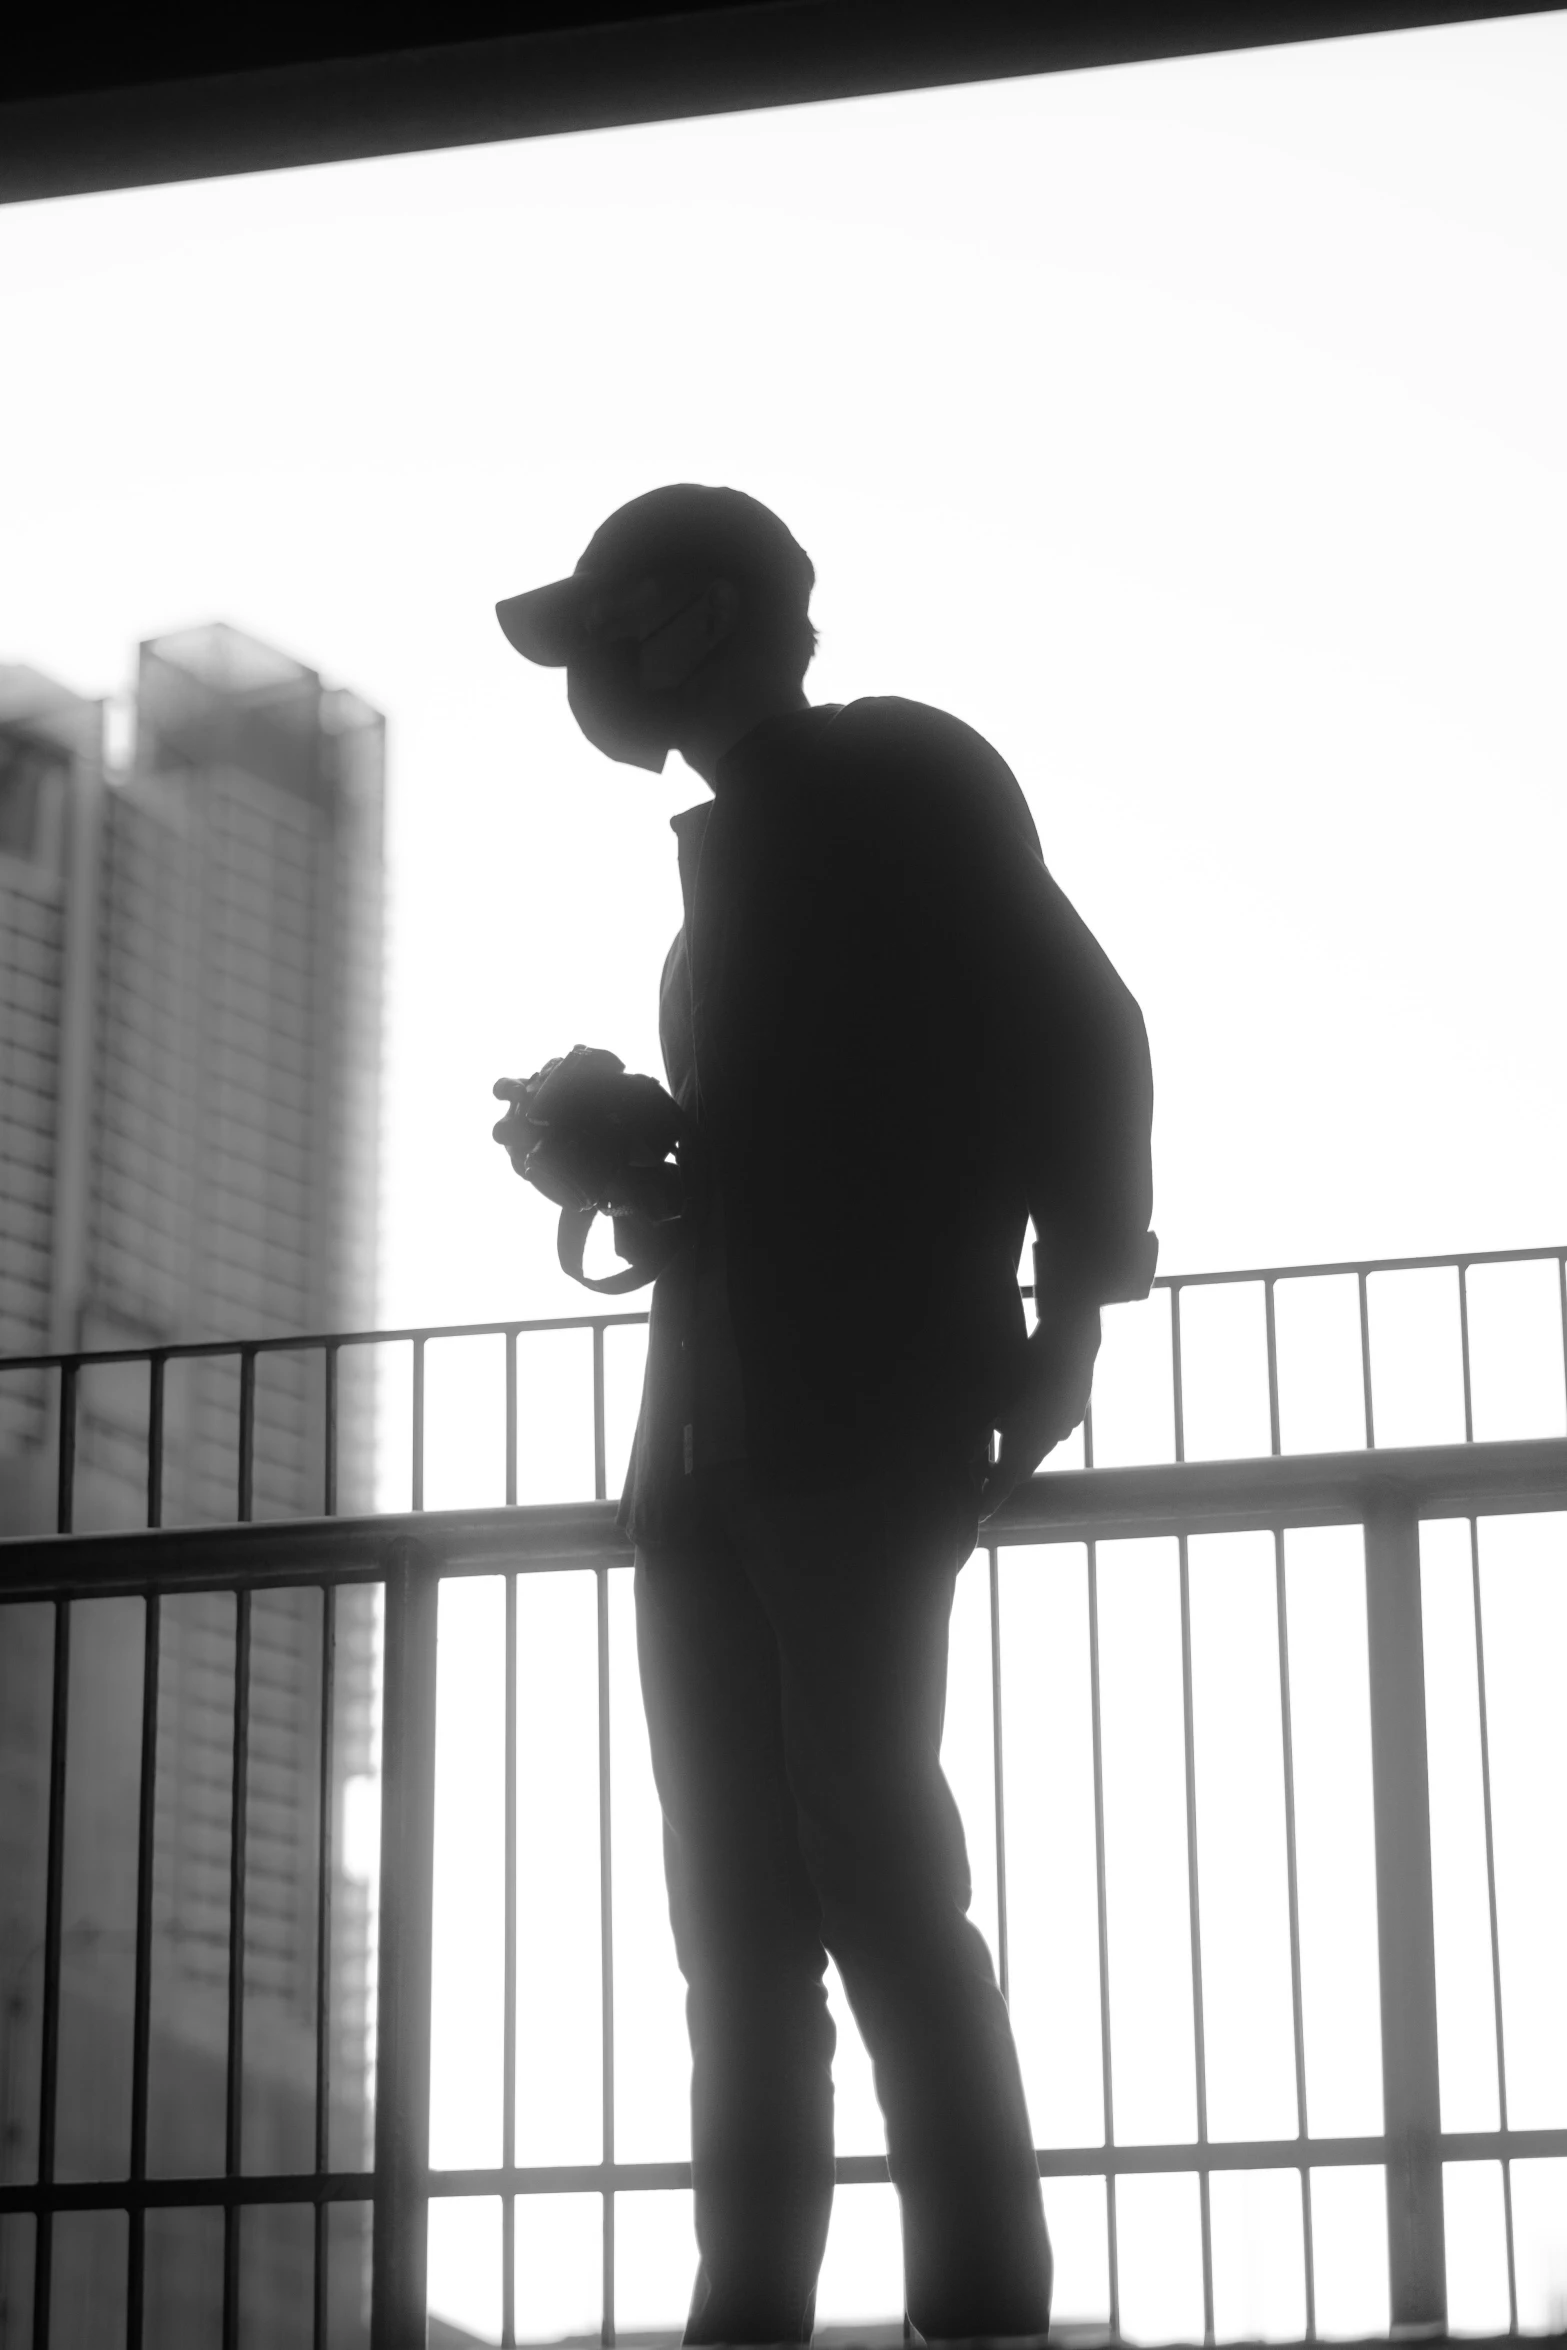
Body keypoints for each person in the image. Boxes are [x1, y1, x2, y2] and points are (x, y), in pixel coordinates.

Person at [494, 484, 1156, 2346]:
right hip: (712, 1454)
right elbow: (807, 1156)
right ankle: (759, 2318)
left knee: (867, 1876)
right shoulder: (729, 886)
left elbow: (1075, 1028)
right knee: (744, 1927)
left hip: (852, 1422)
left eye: (616, 631)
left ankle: (977, 2313)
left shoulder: (891, 783)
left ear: (710, 619)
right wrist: (631, 1150)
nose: (600, 680)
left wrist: (1077, 1315)